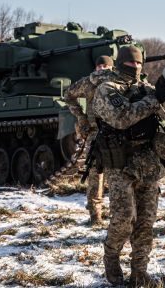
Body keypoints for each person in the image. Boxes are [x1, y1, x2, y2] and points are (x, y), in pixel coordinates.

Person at [92, 45, 165, 286]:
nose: (135, 67)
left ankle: (140, 272)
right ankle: (111, 257)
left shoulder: (146, 89)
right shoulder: (108, 88)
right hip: (120, 163)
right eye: (131, 63)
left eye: (139, 63)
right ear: (121, 63)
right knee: (125, 219)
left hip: (148, 162)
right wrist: (154, 99)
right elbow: (122, 117)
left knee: (146, 223)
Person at [64, 55, 114, 225]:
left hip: (116, 133)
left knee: (116, 175)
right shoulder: (89, 82)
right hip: (95, 133)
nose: (101, 70)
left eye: (105, 67)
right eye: (99, 67)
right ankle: (96, 215)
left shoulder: (115, 81)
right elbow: (69, 94)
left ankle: (118, 214)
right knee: (95, 175)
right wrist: (81, 117)